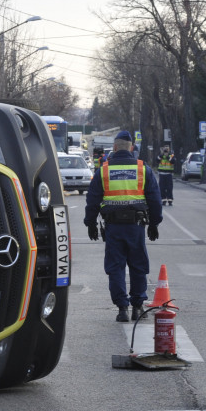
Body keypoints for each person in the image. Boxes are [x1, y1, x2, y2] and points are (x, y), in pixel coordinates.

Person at [84, 130, 163, 323]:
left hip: (113, 228)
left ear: (115, 147)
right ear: (131, 148)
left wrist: (91, 223)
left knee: (115, 267)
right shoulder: (143, 169)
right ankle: (137, 307)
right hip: (136, 227)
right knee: (138, 266)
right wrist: (154, 223)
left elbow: (92, 199)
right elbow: (154, 198)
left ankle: (122, 309)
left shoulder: (103, 170)